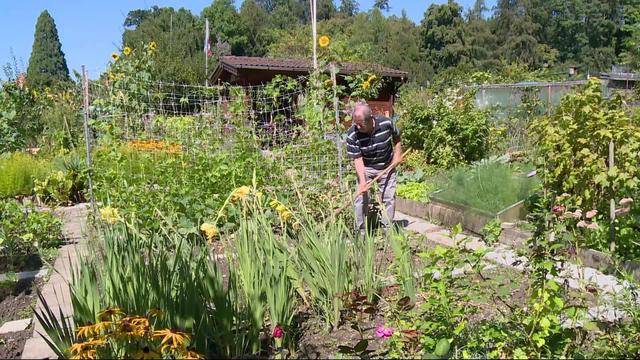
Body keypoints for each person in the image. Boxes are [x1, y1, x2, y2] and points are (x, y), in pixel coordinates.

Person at [346, 102, 402, 233]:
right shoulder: (352, 134)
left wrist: (397, 154)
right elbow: (358, 159)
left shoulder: (386, 123)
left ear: (370, 118)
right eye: (356, 123)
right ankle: (361, 233)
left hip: (387, 165)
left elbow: (397, 138)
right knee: (361, 198)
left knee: (389, 198)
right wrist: (363, 182)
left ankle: (388, 231)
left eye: (361, 124)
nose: (357, 126)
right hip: (367, 167)